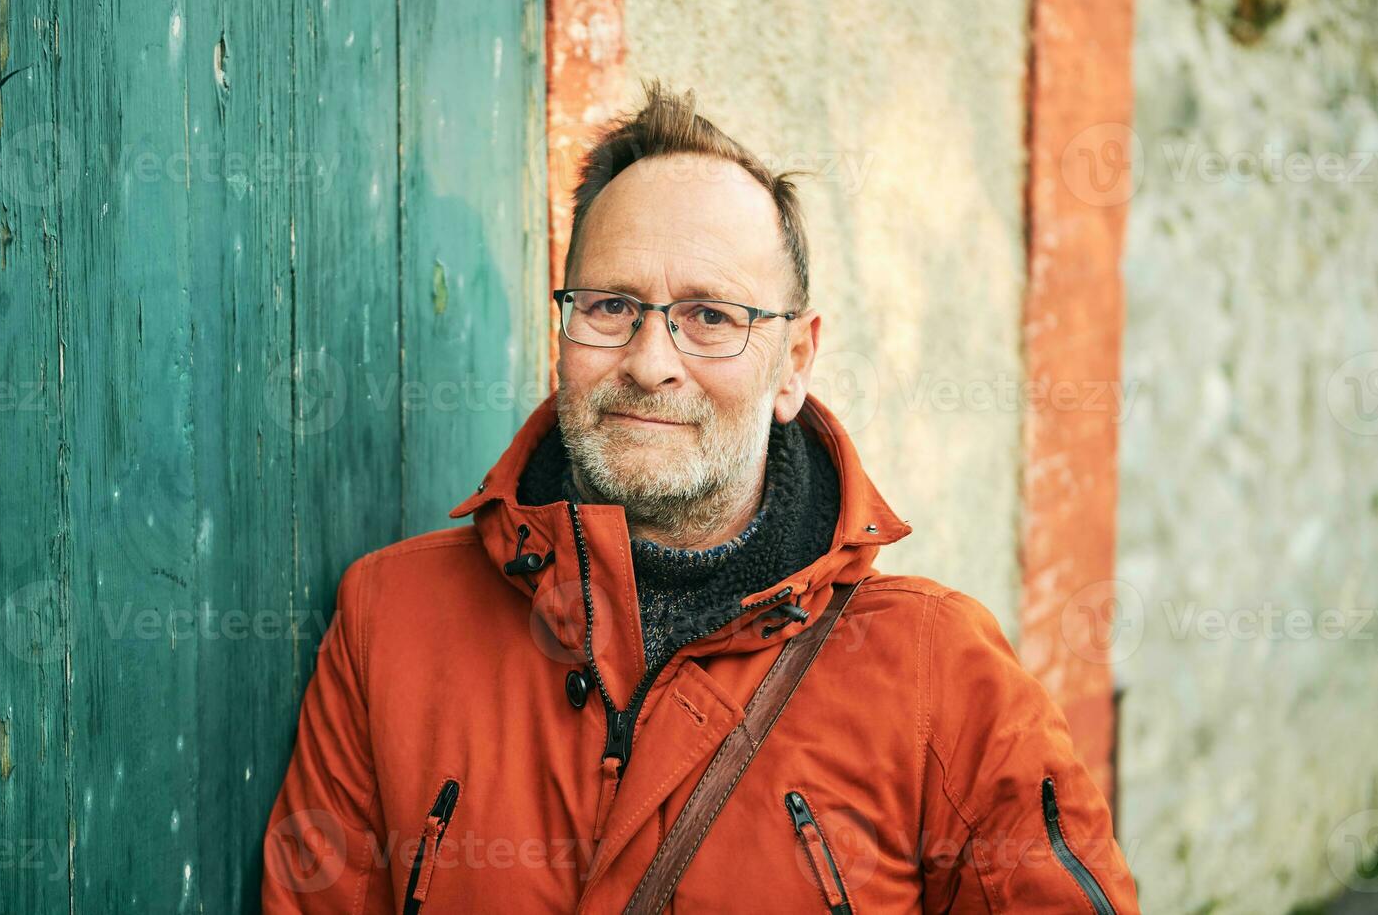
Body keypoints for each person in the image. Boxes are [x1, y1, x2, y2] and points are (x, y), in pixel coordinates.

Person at [263, 80, 1140, 913]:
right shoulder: (391, 623)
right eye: (611, 306)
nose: (649, 362)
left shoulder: (935, 674)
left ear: (793, 363)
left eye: (711, 317)